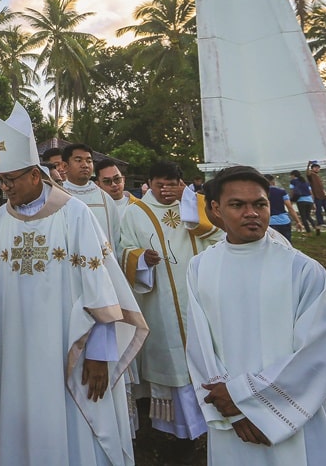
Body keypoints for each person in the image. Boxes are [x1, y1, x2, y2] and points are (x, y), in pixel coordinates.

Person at [0, 102, 146, 466]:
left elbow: (101, 289)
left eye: (11, 180)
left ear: (35, 174)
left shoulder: (74, 215)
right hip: (11, 354)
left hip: (68, 352)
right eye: (1, 181)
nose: (5, 187)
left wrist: (99, 354)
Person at [187, 166, 326, 465]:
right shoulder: (200, 267)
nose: (252, 213)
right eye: (237, 205)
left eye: (259, 204)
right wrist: (226, 404)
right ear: (215, 210)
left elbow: (319, 351)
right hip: (228, 412)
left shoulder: (302, 270)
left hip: (295, 410)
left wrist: (250, 400)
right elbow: (199, 345)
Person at [118, 161, 222, 448]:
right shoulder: (135, 212)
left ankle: (213, 417)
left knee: (206, 351)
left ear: (181, 182)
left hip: (199, 293)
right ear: (149, 183)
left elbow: (220, 234)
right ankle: (176, 428)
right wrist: (140, 259)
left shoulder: (196, 205)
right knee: (173, 358)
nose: (166, 190)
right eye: (159, 184)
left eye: (172, 183)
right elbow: (123, 249)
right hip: (160, 298)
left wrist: (196, 215)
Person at [60, 142, 125, 251]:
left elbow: (117, 239)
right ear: (65, 166)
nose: (85, 165)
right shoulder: (57, 196)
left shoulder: (106, 199)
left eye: (89, 161)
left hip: (102, 263)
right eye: (78, 160)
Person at [266, 175, 304, 242]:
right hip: (284, 221)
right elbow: (290, 208)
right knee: (287, 244)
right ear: (273, 182)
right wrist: (298, 221)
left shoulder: (262, 193)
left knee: (274, 245)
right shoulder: (281, 192)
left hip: (270, 223)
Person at [307, 162, 326, 227]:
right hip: (317, 196)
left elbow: (321, 188)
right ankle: (320, 222)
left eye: (318, 168)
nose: (317, 169)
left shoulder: (318, 176)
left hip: (324, 196)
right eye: (316, 168)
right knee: (319, 210)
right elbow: (308, 173)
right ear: (312, 169)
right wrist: (308, 165)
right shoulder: (311, 175)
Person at [288, 170, 317, 235]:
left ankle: (308, 232)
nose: (290, 177)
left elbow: (292, 191)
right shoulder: (306, 182)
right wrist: (313, 202)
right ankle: (316, 226)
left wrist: (291, 200)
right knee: (308, 215)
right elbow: (311, 192)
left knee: (303, 217)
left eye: (291, 175)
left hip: (301, 200)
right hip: (309, 200)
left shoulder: (293, 181)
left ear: (293, 175)